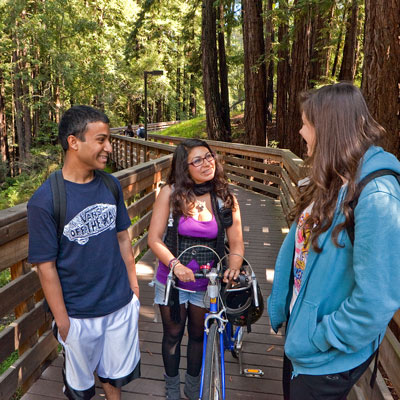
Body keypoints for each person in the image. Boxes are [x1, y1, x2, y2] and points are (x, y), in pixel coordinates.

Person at [267, 82, 400, 400]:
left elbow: (377, 300)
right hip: (301, 333)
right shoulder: (337, 176)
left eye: (306, 124)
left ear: (329, 130)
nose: (300, 132)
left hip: (323, 357)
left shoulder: (377, 197)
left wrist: (318, 336)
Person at [27, 105, 141, 400]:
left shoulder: (110, 184)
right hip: (78, 315)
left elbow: (122, 238)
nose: (109, 147)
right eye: (101, 139)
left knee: (114, 378)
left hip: (118, 304)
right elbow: (46, 266)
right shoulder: (45, 200)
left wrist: (133, 286)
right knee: (80, 389)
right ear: (73, 142)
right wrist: (63, 321)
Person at [148, 138, 244, 400]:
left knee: (198, 335)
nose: (207, 163)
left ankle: (193, 386)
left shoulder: (225, 198)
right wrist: (175, 265)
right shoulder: (170, 193)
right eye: (198, 160)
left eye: (209, 157)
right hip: (172, 281)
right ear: (184, 166)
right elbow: (154, 239)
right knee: (173, 334)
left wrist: (233, 268)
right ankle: (171, 388)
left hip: (207, 282)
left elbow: (235, 244)